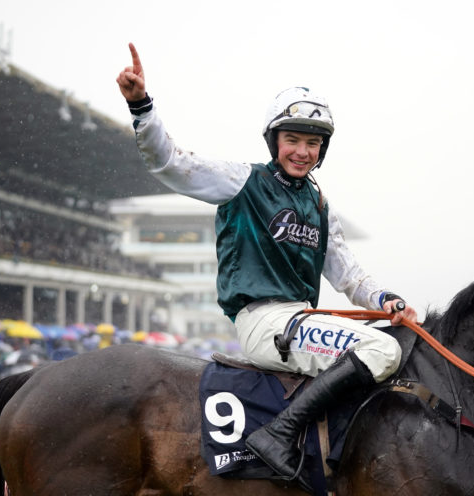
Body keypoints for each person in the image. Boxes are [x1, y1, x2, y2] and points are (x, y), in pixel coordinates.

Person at [116, 43, 420, 481]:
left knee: (398, 339)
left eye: (312, 143)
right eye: (293, 140)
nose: (302, 151)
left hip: (302, 320)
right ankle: (279, 434)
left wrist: (384, 297)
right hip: (264, 323)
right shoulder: (243, 181)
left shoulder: (319, 203)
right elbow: (171, 163)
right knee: (381, 348)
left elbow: (348, 275)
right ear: (274, 141)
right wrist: (141, 106)